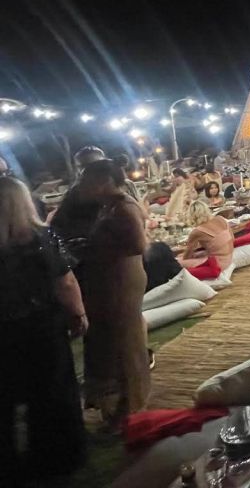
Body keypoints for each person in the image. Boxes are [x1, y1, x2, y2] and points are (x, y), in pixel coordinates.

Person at [0, 177, 87, 481]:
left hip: (5, 331)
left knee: (5, 400)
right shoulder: (42, 236)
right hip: (41, 327)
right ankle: (57, 458)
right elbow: (65, 281)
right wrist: (78, 313)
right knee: (52, 393)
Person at [65, 160, 150, 423]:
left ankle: (132, 406)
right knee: (114, 340)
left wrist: (97, 249)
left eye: (86, 180)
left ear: (104, 181)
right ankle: (122, 404)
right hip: (110, 277)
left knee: (126, 340)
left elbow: (139, 244)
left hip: (123, 278)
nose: (82, 186)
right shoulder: (108, 206)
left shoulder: (124, 207)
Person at [179, 200, 234, 269]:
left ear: (192, 216)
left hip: (217, 264)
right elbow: (232, 238)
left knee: (178, 262)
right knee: (196, 254)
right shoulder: (220, 219)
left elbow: (187, 256)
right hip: (229, 258)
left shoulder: (197, 231)